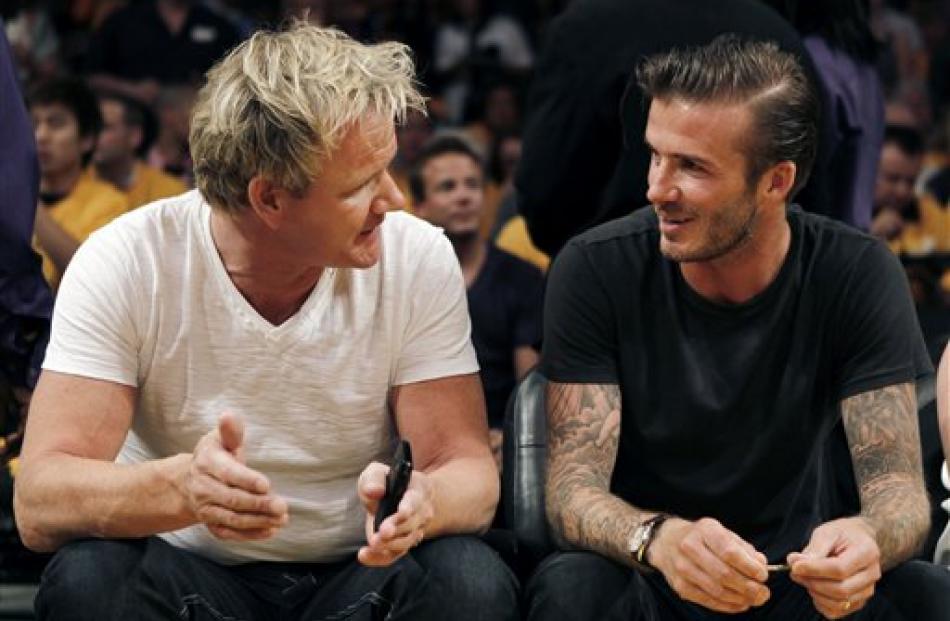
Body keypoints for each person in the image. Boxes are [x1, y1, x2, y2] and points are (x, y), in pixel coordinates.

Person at [15, 22, 518, 621]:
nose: (395, 199)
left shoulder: (414, 253)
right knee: (90, 577)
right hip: (189, 573)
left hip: (360, 571)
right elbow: (40, 500)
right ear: (270, 199)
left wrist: (426, 501)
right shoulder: (127, 258)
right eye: (361, 185)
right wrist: (179, 492)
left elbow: (468, 470)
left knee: (470, 578)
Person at [526, 36, 949, 620]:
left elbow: (898, 490)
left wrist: (868, 537)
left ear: (776, 182)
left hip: (801, 580)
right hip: (653, 575)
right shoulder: (596, 266)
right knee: (572, 586)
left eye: (691, 167)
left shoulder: (856, 270)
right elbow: (571, 490)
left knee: (928, 592)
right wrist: (658, 539)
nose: (656, 189)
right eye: (655, 155)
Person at [515, 0, 832, 257]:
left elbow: (544, 192)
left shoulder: (588, 27)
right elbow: (817, 190)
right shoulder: (777, 33)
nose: (660, 189)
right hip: (764, 299)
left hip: (616, 291)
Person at [411, 134, 543, 466]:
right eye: (447, 187)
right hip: (422, 442)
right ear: (420, 207)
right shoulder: (405, 283)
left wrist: (509, 439)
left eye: (472, 184)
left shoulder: (523, 277)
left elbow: (530, 389)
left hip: (504, 444)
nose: (464, 196)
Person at [28, 77, 129, 289]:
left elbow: (89, 274)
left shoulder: (111, 203)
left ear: (87, 140)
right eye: (33, 124)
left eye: (55, 124)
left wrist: (28, 204)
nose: (41, 135)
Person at [90, 90, 187, 209]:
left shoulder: (169, 192)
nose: (93, 135)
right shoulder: (69, 184)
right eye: (91, 127)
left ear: (134, 136)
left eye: (105, 127)